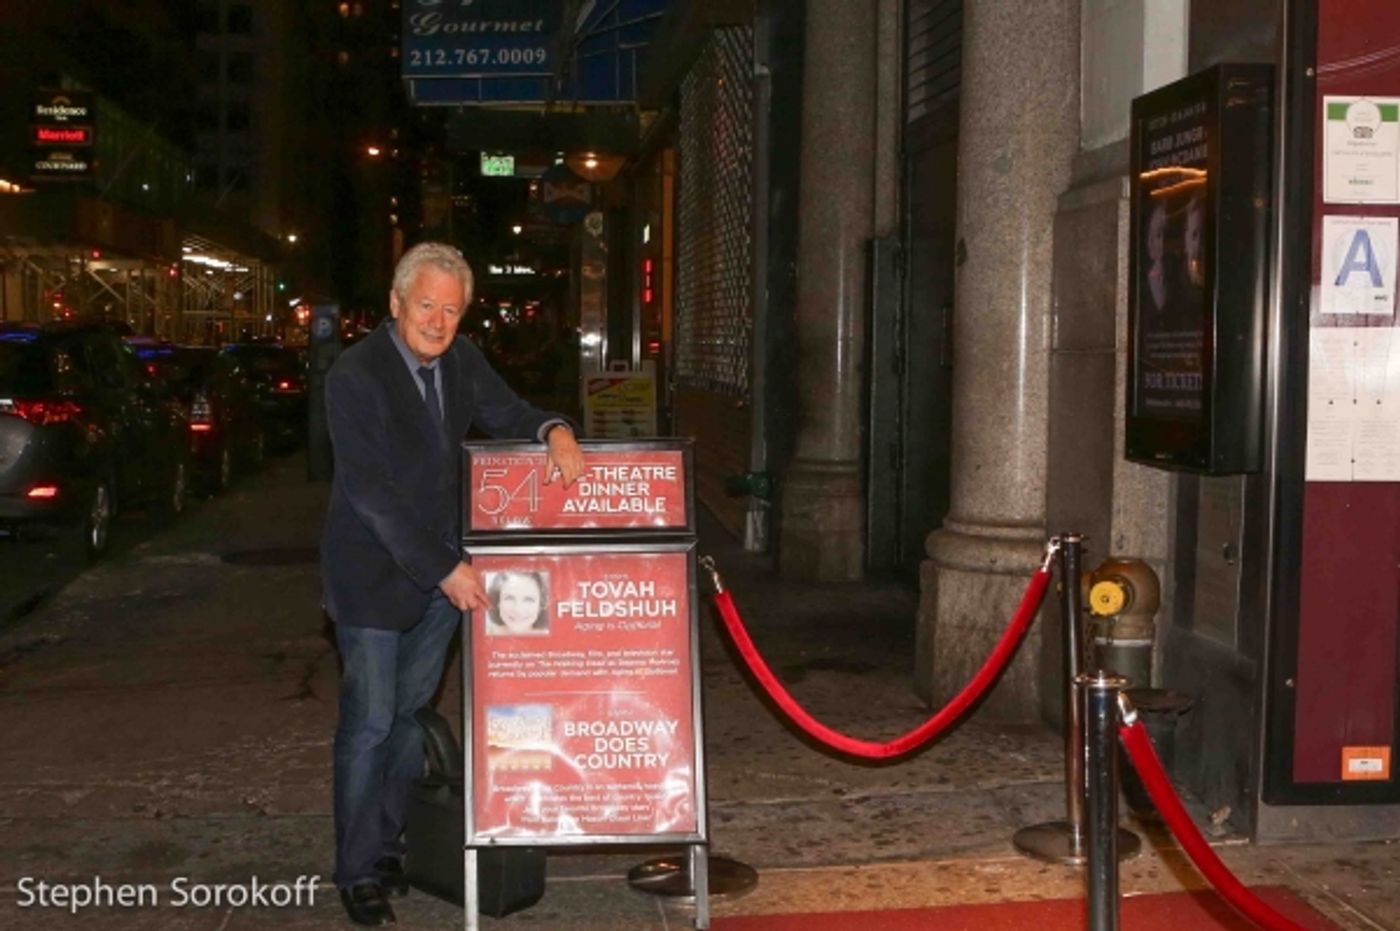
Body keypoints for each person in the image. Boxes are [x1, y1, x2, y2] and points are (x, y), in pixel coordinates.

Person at [320, 242, 584, 926]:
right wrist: (444, 568)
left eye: (452, 309)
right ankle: (355, 870)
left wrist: (554, 430)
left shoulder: (460, 360)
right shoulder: (356, 374)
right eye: (427, 305)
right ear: (397, 303)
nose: (438, 321)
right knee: (371, 722)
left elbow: (509, 409)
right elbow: (372, 492)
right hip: (377, 579)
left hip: (441, 580)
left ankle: (386, 846)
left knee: (409, 720)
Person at [485, 570, 550, 635]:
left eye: (529, 600)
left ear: (540, 605)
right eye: (509, 598)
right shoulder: (485, 635)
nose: (518, 610)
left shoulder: (552, 638)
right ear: (498, 602)